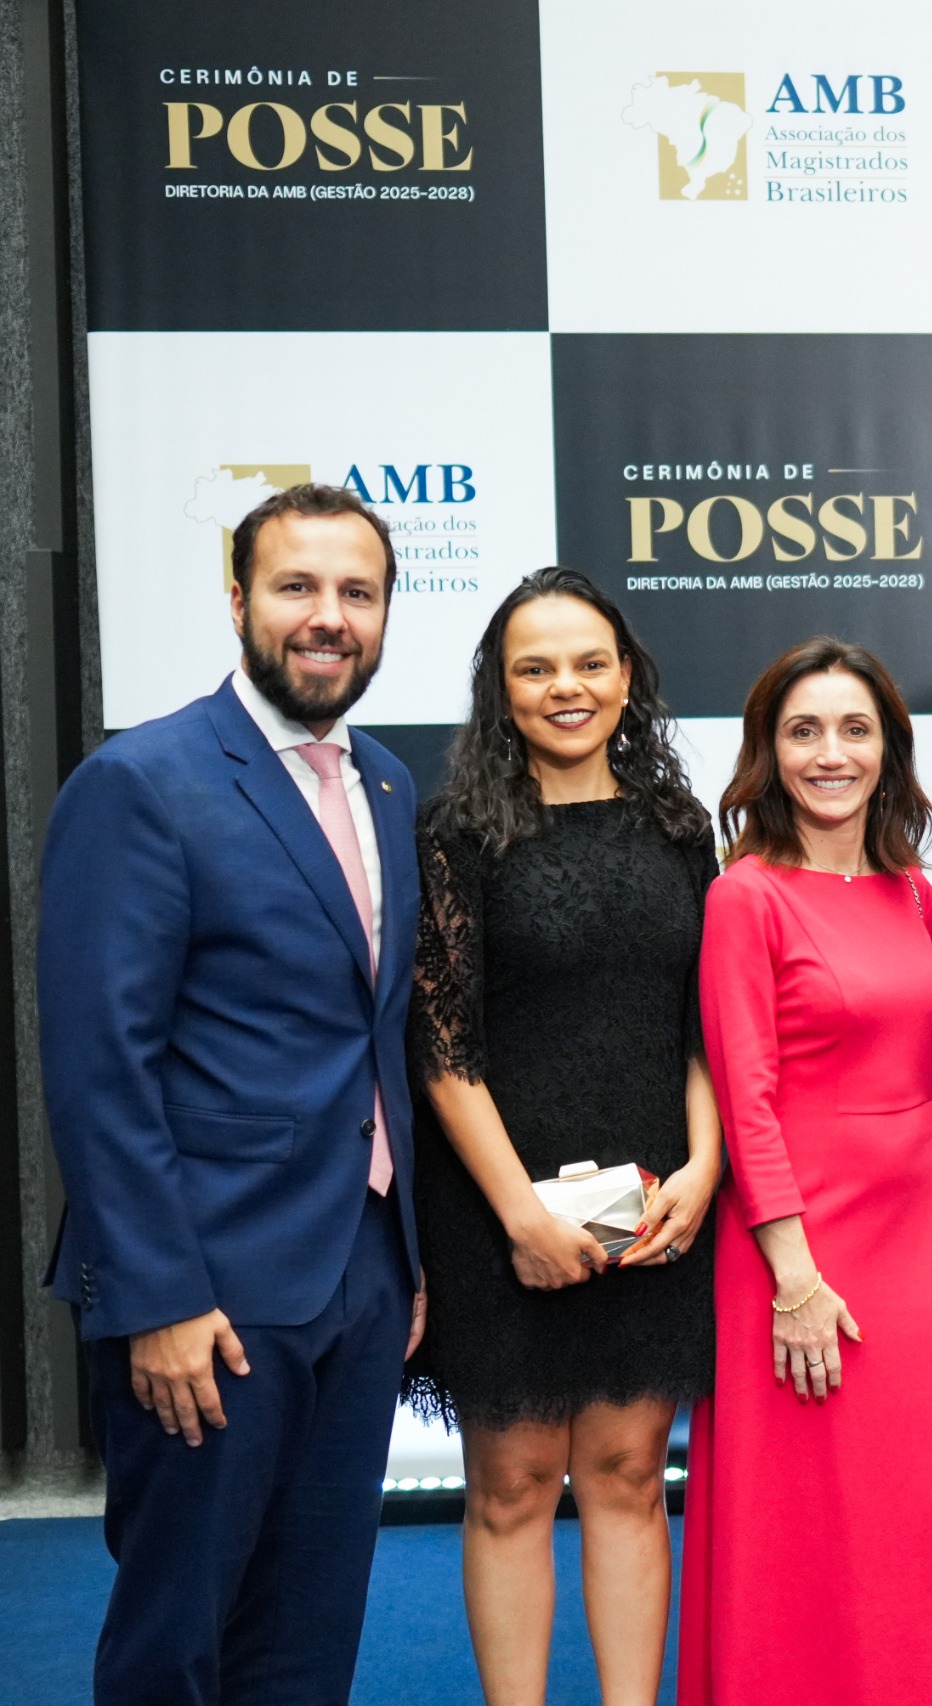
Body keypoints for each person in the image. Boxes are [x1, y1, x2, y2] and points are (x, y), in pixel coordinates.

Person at [38, 482, 424, 1704]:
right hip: (206, 1288)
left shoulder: (387, 785)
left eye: (357, 591)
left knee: (309, 1636)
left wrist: (404, 1262)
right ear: (239, 601)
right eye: (296, 586)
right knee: (178, 1637)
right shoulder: (142, 781)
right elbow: (99, 1065)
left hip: (361, 1276)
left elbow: (376, 1033)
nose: (328, 616)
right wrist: (155, 1295)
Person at [405, 567, 721, 1706]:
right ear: (501, 687)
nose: (566, 686)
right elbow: (442, 1047)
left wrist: (705, 1169)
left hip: (655, 1207)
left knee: (630, 1475)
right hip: (497, 1212)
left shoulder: (680, 830)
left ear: (627, 676)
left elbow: (705, 1026)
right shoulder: (454, 834)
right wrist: (522, 1219)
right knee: (514, 1485)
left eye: (589, 662)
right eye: (534, 667)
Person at [681, 638, 932, 1703]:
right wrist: (795, 1278)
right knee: (806, 1517)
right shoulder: (745, 896)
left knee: (923, 1506)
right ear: (769, 754)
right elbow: (745, 1097)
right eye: (804, 731)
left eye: (855, 729)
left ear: (890, 749)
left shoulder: (916, 892)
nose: (832, 753)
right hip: (799, 1243)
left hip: (922, 1238)